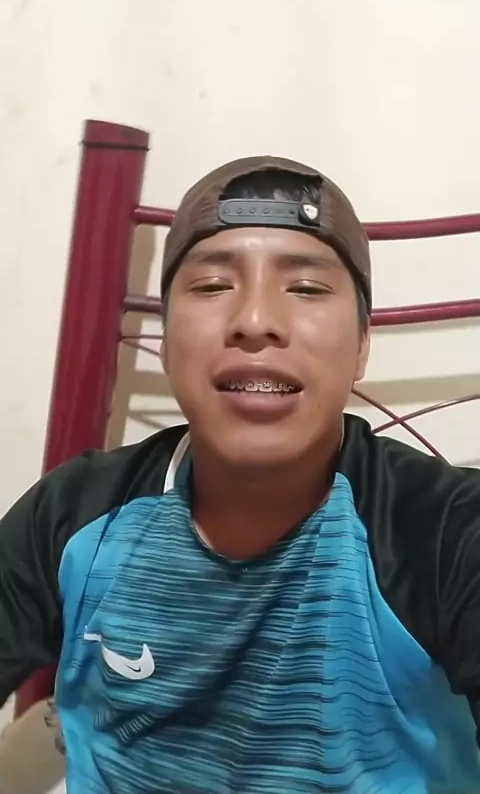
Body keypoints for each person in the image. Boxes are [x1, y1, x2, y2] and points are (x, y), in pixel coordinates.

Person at [0, 155, 479, 794]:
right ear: (165, 338)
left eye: (306, 288)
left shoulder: (445, 535)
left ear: (363, 344)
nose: (255, 320)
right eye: (211, 286)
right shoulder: (75, 515)